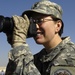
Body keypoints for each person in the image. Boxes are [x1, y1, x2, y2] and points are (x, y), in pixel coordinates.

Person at [5, 0, 75, 75]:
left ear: (57, 26)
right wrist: (15, 47)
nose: (35, 27)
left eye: (40, 21)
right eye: (33, 22)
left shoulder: (70, 56)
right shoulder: (39, 58)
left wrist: (19, 45)